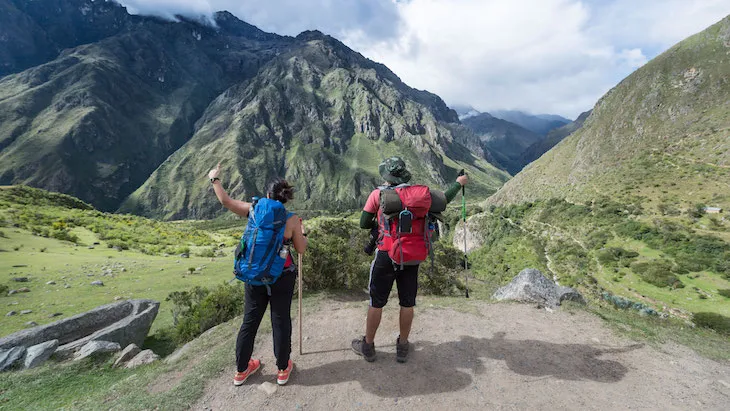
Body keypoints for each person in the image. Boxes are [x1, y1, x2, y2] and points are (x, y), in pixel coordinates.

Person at [351, 157, 468, 363]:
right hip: (412, 256)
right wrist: (459, 183)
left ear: (386, 176)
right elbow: (445, 198)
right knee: (407, 303)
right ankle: (403, 346)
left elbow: (363, 223)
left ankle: (368, 346)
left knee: (376, 302)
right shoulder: (422, 196)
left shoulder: (378, 195)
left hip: (386, 254)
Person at [208, 163, 307, 386]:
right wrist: (300, 232)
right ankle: (283, 369)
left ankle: (242, 370)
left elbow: (225, 201)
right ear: (285, 198)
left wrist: (214, 179)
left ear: (267, 194)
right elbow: (301, 249)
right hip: (281, 275)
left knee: (250, 321)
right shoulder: (291, 219)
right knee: (280, 319)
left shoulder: (252, 209)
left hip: (253, 275)